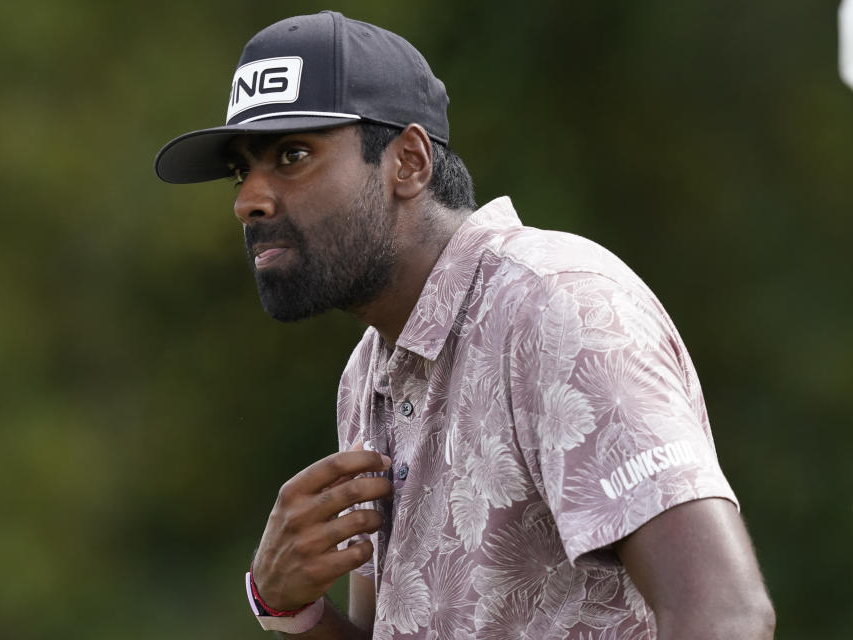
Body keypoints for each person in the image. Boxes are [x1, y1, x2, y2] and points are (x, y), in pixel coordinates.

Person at [155, 11, 775, 639]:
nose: (247, 200)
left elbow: (724, 613)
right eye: (242, 171)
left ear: (410, 162)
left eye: (292, 155)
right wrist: (290, 610)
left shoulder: (557, 309)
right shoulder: (369, 373)